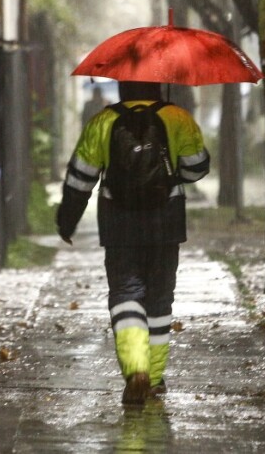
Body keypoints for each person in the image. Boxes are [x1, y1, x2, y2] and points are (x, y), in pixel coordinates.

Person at [56, 80, 210, 405]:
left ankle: (134, 368)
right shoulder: (176, 117)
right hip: (166, 220)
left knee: (126, 293)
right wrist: (171, 172)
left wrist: (67, 220)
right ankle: (153, 379)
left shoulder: (103, 120)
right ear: (157, 84)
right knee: (159, 300)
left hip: (119, 221)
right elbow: (198, 167)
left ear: (123, 85)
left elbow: (80, 176)